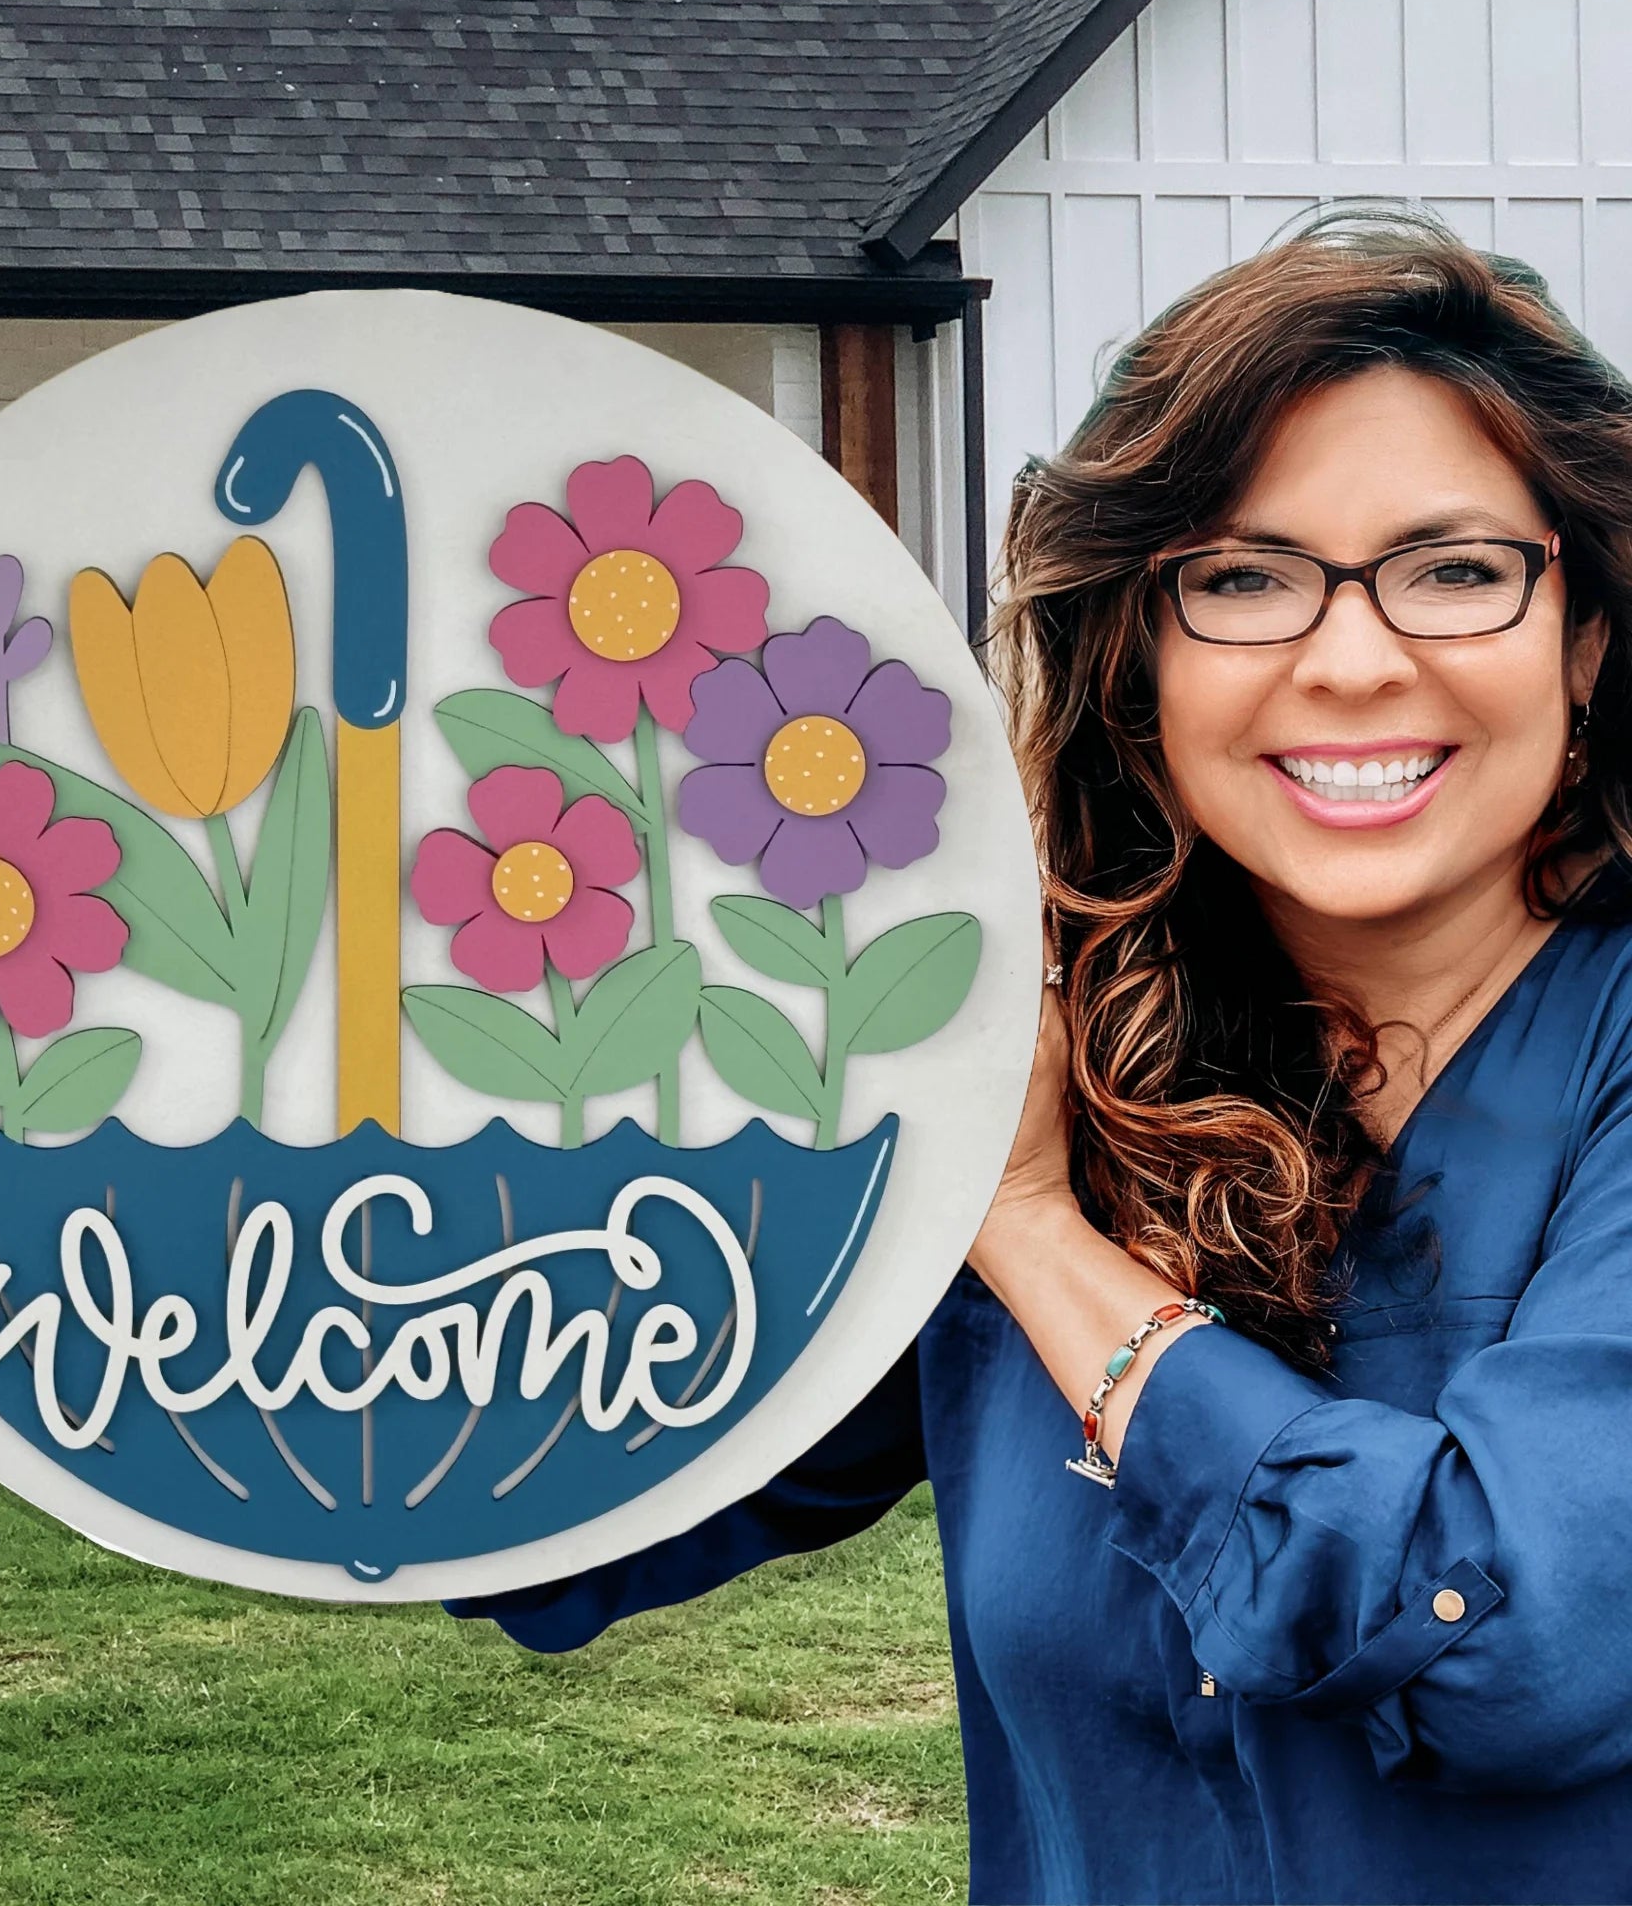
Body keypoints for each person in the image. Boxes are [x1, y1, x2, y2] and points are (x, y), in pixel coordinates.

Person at [450, 214, 1632, 1904]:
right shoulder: (1047, 1048)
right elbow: (579, 1492)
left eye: (1456, 570)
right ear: (1140, 658)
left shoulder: (1015, 1148)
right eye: (1241, 577)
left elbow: (1503, 1643)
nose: (1355, 657)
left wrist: (1027, 1228)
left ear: (1581, 640)